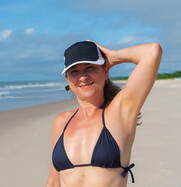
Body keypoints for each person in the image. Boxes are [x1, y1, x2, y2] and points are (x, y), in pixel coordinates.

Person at [46, 41, 162, 187]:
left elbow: (153, 51)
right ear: (68, 80)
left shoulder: (121, 111)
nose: (83, 77)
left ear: (105, 71)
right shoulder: (61, 122)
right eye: (74, 72)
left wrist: (113, 57)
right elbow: (53, 182)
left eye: (90, 68)